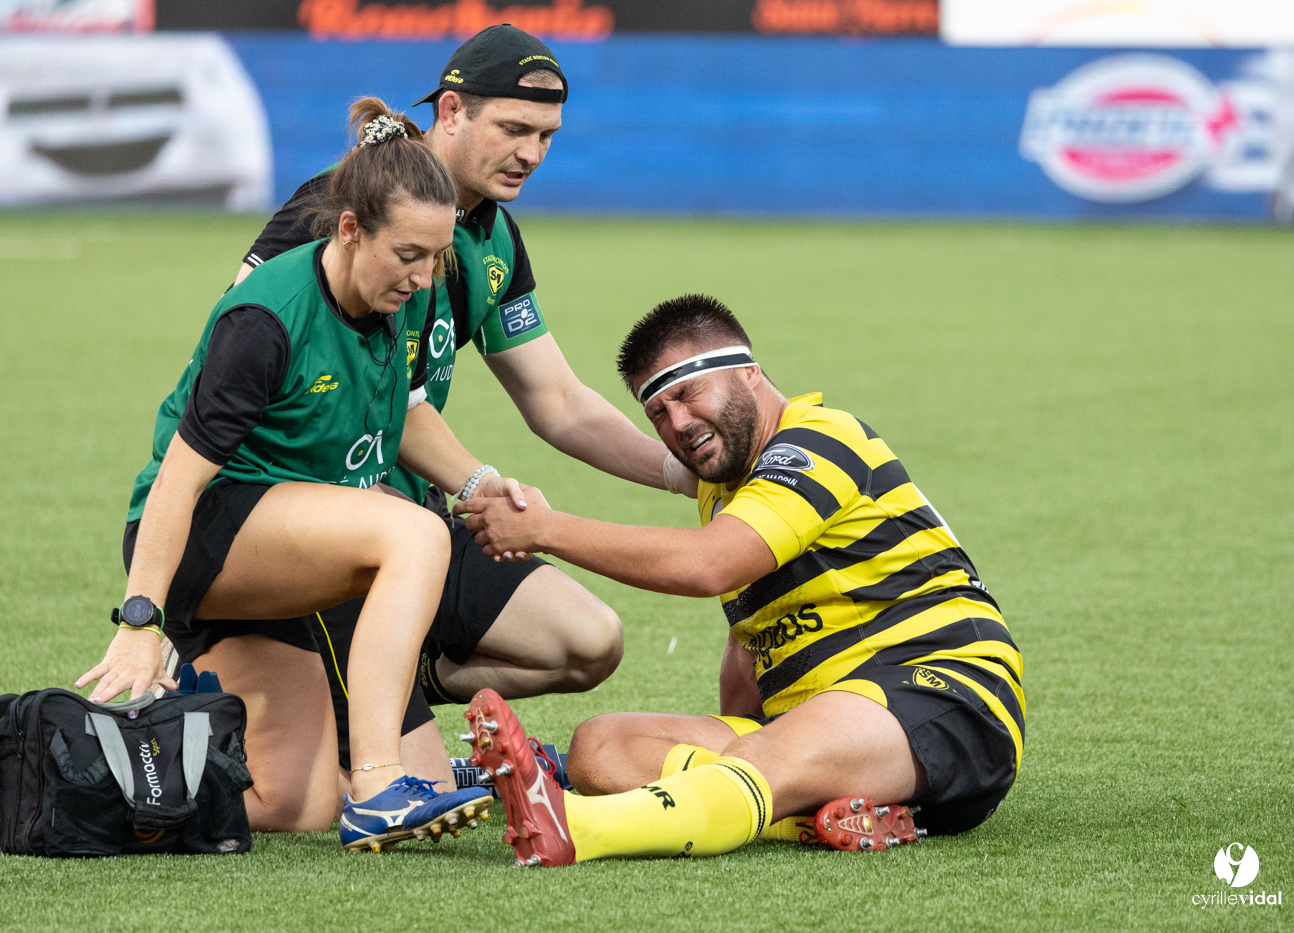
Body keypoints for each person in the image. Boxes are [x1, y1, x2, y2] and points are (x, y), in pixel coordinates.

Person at [216, 25, 690, 786]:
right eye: (514, 129)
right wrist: (477, 482)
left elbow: (558, 398)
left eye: (546, 136)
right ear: (451, 110)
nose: (531, 154)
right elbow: (256, 359)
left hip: (418, 520)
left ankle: (393, 674)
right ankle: (343, 700)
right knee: (422, 793)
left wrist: (684, 472)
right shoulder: (347, 206)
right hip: (321, 524)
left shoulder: (494, 236)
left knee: (589, 640)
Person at [76, 100, 525, 850]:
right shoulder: (266, 321)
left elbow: (398, 422)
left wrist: (482, 482)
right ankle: (381, 781)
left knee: (296, 800)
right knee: (415, 534)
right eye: (408, 254)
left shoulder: (396, 303)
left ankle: (78, 777)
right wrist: (139, 620)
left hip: (285, 547)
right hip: (208, 533)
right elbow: (178, 481)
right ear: (349, 228)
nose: (422, 279)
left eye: (436, 258)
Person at [458, 294, 1025, 866]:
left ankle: (578, 826)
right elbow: (751, 640)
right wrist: (735, 725)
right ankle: (813, 818)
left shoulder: (819, 440)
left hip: (940, 693)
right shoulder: (722, 491)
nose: (676, 423)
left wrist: (544, 530)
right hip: (815, 719)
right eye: (657, 412)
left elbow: (710, 565)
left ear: (749, 371)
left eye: (686, 392)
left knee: (763, 755)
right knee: (600, 748)